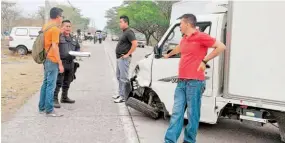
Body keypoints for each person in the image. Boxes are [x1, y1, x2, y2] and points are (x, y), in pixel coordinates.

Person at [163, 14, 226, 143]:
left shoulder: (201, 36)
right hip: (181, 82)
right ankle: (170, 140)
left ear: (187, 24)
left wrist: (205, 60)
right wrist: (168, 55)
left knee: (193, 115)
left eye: (181, 24)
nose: (179, 26)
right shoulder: (185, 38)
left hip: (195, 83)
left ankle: (189, 140)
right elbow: (179, 48)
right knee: (176, 114)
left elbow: (221, 46)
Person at [38, 7, 64, 117]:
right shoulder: (55, 29)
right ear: (58, 16)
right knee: (51, 85)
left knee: (45, 83)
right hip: (52, 59)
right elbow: (54, 47)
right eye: (62, 16)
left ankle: (42, 107)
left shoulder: (46, 26)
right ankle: (49, 110)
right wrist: (60, 63)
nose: (62, 18)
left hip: (45, 58)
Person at [53, 20, 80, 108]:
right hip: (61, 62)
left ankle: (64, 97)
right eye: (66, 26)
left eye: (69, 26)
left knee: (68, 81)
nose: (68, 28)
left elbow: (78, 48)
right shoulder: (58, 37)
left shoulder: (73, 38)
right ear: (62, 27)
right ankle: (54, 99)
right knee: (58, 82)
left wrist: (78, 53)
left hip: (71, 63)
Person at [112, 15, 138, 103]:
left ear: (126, 22)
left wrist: (127, 54)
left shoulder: (129, 32)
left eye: (121, 22)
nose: (119, 24)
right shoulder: (124, 32)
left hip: (124, 59)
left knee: (123, 78)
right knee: (119, 77)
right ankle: (120, 93)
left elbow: (135, 44)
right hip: (119, 58)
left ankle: (124, 96)